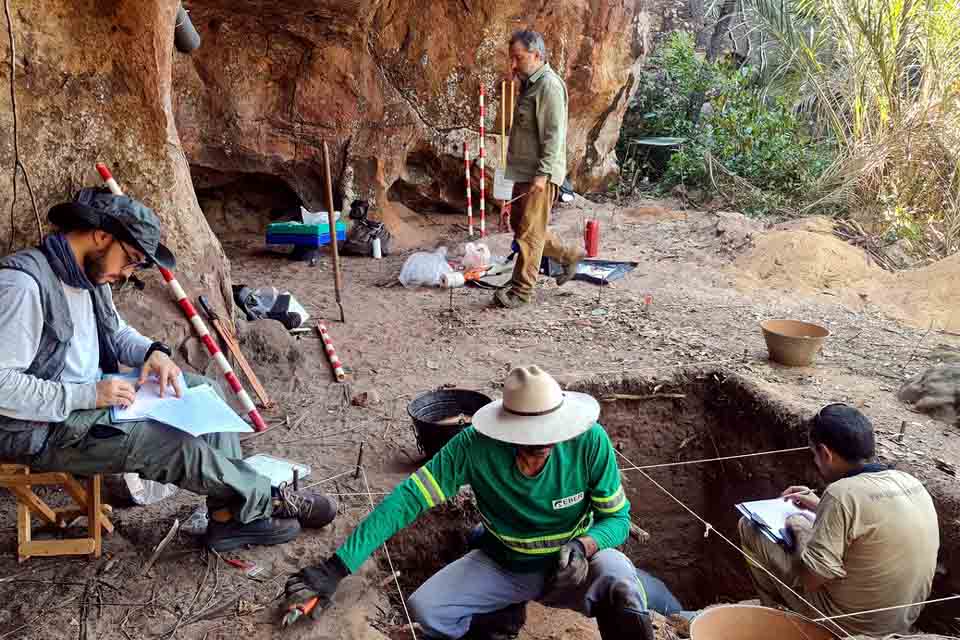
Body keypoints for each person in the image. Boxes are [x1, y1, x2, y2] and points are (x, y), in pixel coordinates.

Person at [0, 187, 337, 551]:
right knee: (170, 444)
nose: (127, 273)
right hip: (45, 429)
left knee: (202, 390)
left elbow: (115, 332)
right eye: (130, 260)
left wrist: (152, 352)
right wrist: (87, 395)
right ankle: (265, 499)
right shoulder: (23, 286)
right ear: (100, 236)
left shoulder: (88, 275)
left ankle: (229, 516)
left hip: (95, 398)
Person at [284, 366, 654, 639]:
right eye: (531, 435)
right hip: (505, 565)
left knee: (619, 578)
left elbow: (618, 520)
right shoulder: (474, 446)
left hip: (572, 568)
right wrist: (337, 566)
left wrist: (583, 546)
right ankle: (499, 620)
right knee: (426, 610)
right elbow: (408, 499)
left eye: (551, 432)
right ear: (507, 428)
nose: (543, 443)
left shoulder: (589, 441)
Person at [738, 403, 940, 636]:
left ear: (826, 453)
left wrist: (799, 529)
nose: (816, 461)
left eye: (815, 455)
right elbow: (870, 524)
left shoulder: (841, 494)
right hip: (900, 619)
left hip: (850, 625)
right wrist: (820, 506)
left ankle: (773, 621)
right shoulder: (909, 481)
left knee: (750, 527)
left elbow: (812, 579)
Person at [495, 30, 583, 309]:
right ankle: (568, 255)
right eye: (511, 58)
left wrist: (543, 175)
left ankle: (521, 290)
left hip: (538, 173)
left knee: (529, 233)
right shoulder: (530, 84)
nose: (513, 64)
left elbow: (554, 136)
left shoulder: (548, 86)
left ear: (536, 55)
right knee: (522, 225)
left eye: (518, 58)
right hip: (524, 171)